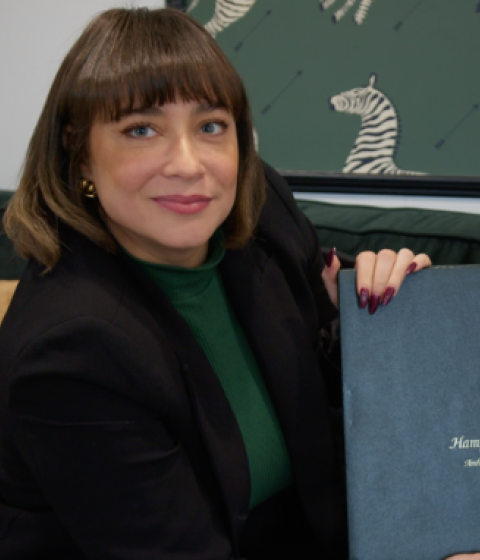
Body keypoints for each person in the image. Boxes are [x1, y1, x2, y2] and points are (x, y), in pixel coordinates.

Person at [0, 7, 473, 560]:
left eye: (210, 126)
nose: (188, 163)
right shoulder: (70, 351)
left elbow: (337, 424)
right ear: (78, 152)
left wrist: (382, 325)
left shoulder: (260, 211)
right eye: (141, 129)